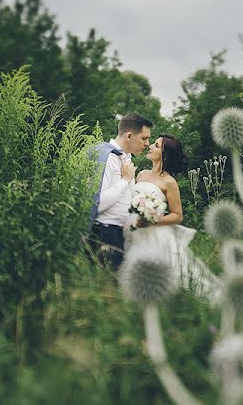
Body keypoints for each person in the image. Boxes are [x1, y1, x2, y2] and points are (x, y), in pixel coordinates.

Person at [124, 134, 221, 300]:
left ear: (164, 154)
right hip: (133, 230)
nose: (150, 146)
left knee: (173, 274)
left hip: (155, 233)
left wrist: (151, 221)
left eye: (156, 145)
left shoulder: (169, 182)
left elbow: (177, 216)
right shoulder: (141, 175)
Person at [88, 112, 152, 270]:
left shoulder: (127, 159)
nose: (147, 144)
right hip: (105, 235)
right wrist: (125, 180)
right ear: (129, 136)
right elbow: (96, 203)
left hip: (122, 234)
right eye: (144, 138)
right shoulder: (107, 157)